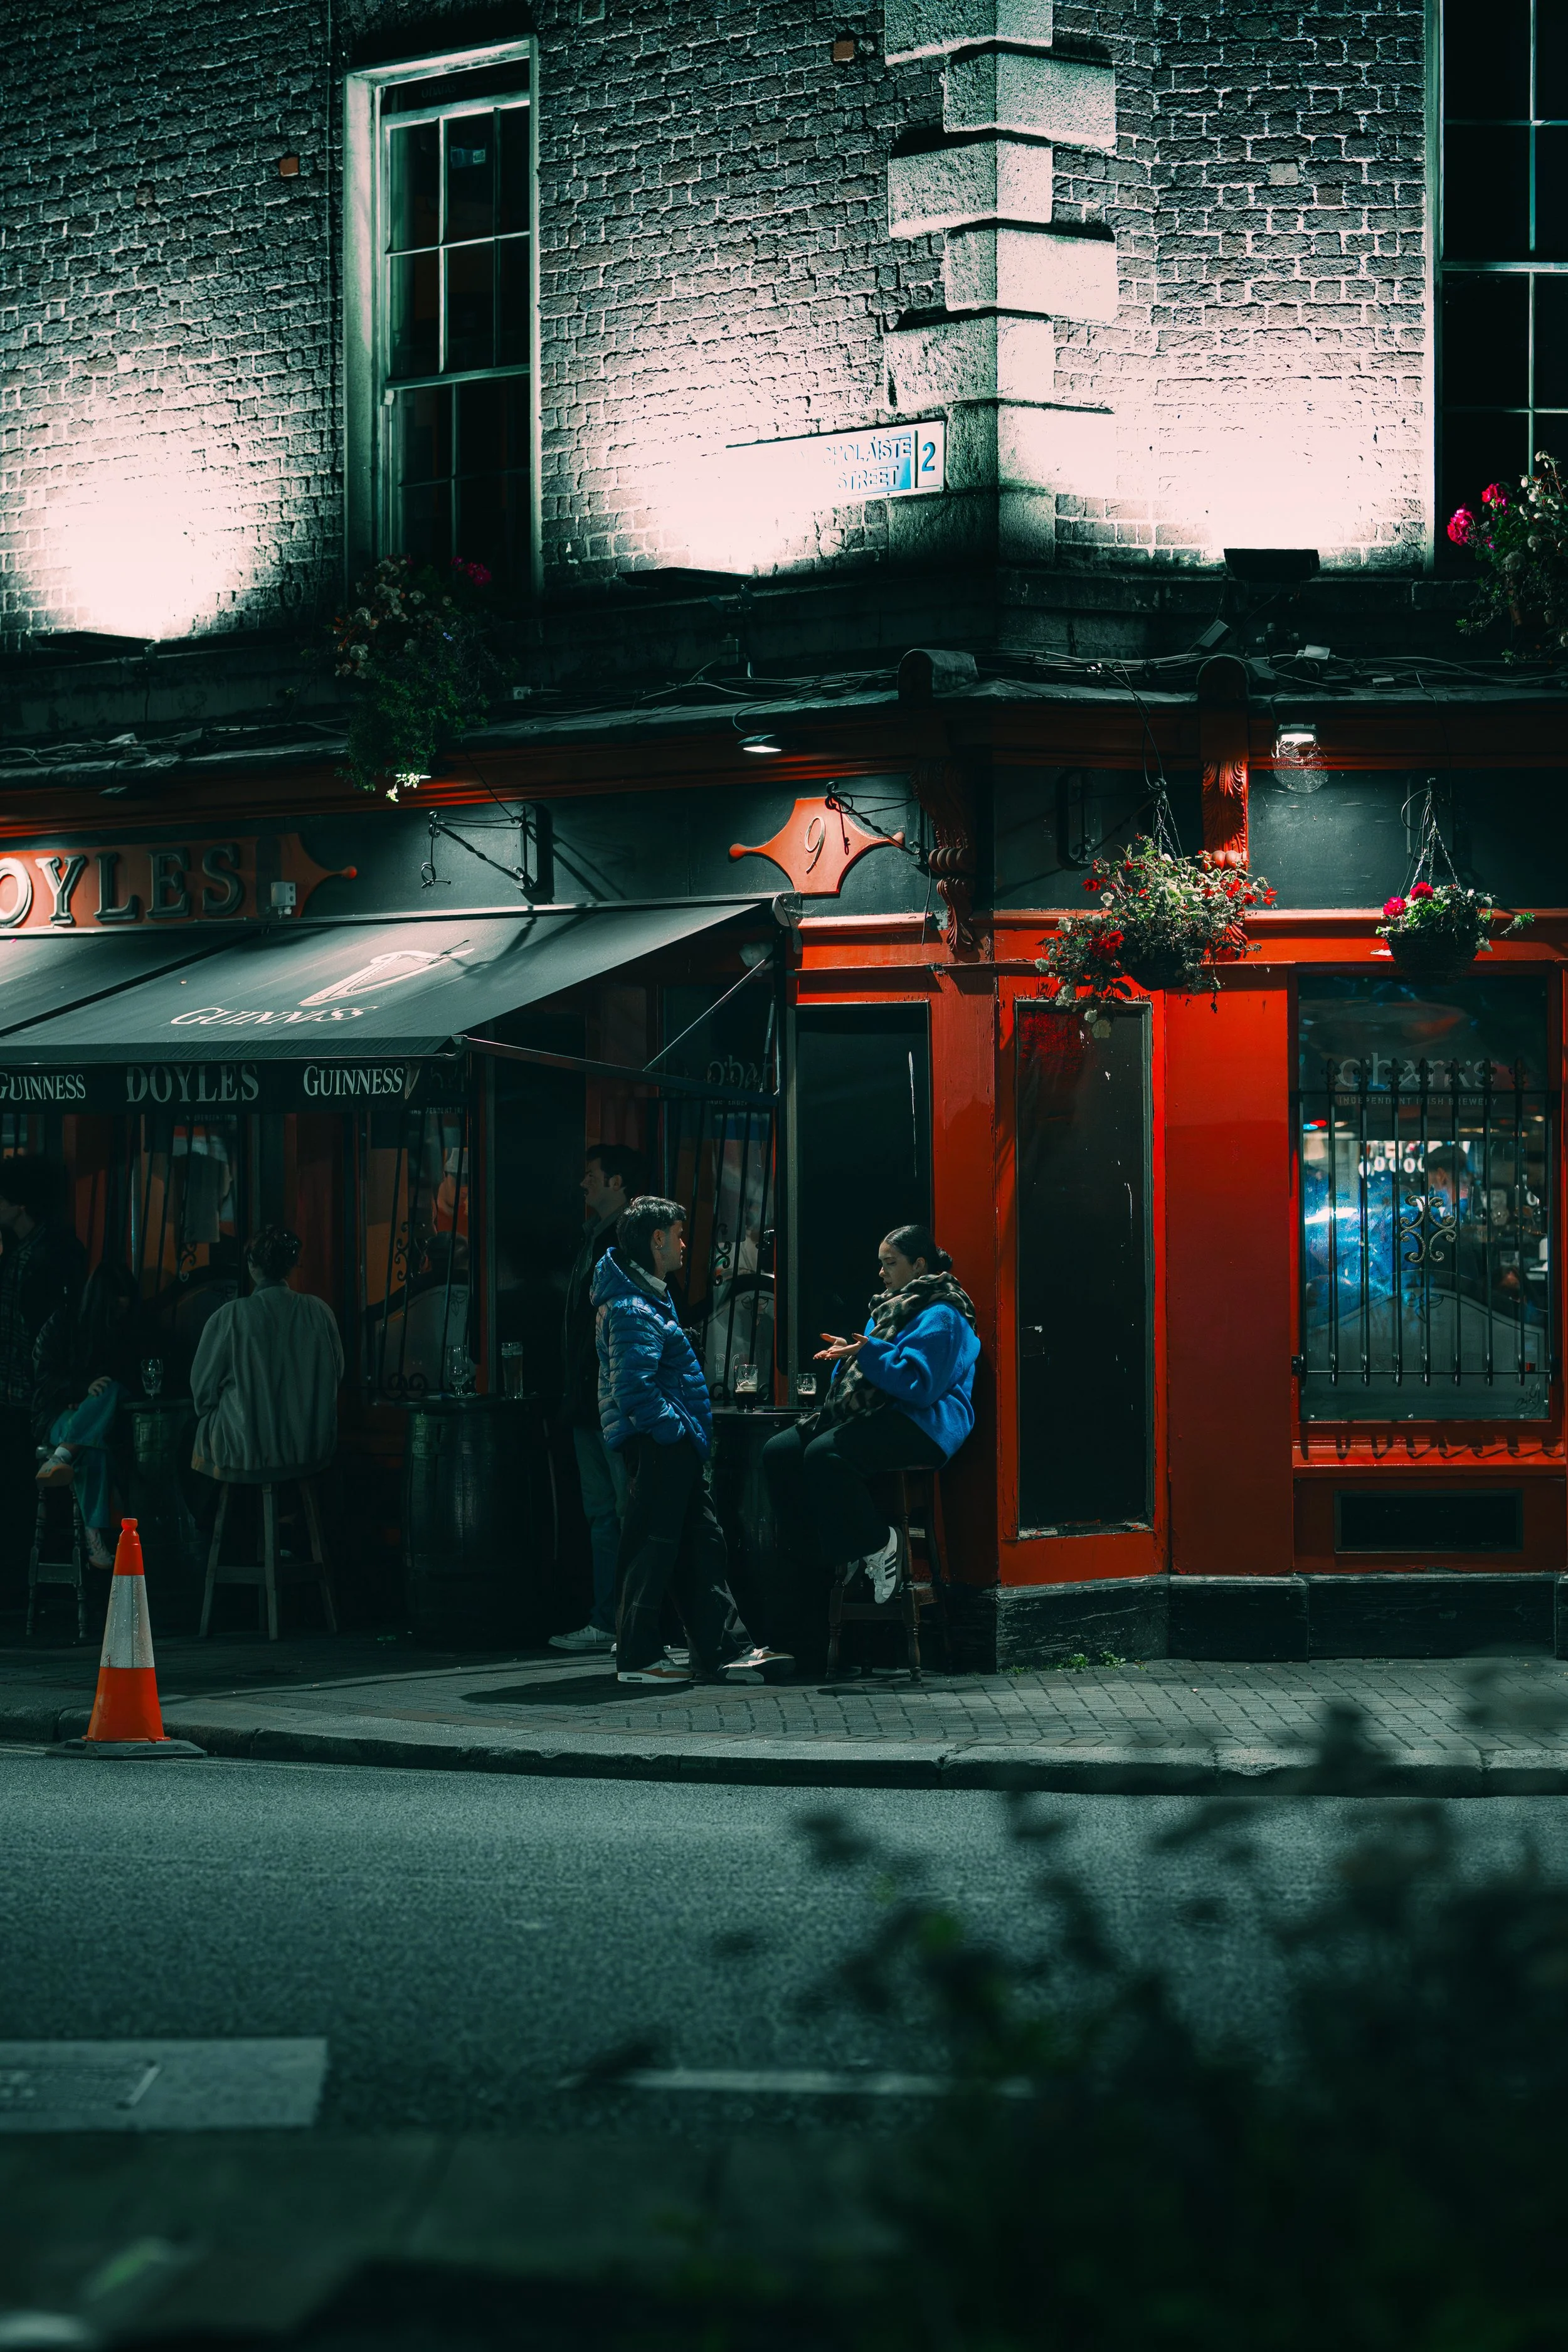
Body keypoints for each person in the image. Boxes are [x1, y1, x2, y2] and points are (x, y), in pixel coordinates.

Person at [593, 1194, 779, 1687]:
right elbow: (633, 1388)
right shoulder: (634, 1306)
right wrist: (673, 1432)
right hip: (660, 1444)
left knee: (701, 1544)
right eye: (677, 1235)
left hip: (672, 1444)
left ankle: (723, 1650)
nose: (683, 1245)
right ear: (656, 1240)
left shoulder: (647, 1294)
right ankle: (638, 1658)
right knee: (652, 1548)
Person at [763, 1224, 980, 1621]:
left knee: (826, 1453)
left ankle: (880, 1544)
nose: (882, 1273)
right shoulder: (888, 1308)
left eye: (890, 1263)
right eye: (880, 1264)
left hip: (927, 1425)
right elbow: (868, 1375)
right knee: (779, 1452)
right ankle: (826, 1557)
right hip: (883, 1416)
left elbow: (920, 1386)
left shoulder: (944, 1313)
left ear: (918, 1265)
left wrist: (867, 1353)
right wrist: (849, 1359)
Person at [551, 1143, 646, 1654]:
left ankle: (624, 1618)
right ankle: (612, 1617)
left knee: (616, 1511)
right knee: (606, 1512)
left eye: (592, 1175)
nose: (584, 1183)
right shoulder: (599, 1237)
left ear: (617, 1181)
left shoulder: (622, 1239)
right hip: (590, 1396)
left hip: (605, 1397)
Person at [189, 1226, 344, 1487]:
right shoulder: (318, 1311)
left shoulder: (231, 1316)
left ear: (251, 1264)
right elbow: (336, 1375)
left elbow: (202, 1393)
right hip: (309, 1449)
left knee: (190, 1440)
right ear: (292, 1264)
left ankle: (215, 1525)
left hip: (244, 1452)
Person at [0, 1157, 87, 1589]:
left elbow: (55, 1327)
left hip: (33, 1392)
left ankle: (34, 1578)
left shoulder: (47, 1253)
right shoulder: (20, 1250)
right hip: (15, 1388)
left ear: (18, 1205)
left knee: (29, 1490)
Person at [33, 1263, 151, 1569]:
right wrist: (79, 1392)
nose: (119, 1317)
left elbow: (132, 1382)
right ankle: (94, 1538)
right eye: (114, 1310)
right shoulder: (65, 1323)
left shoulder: (127, 1332)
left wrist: (91, 1401)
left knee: (109, 1391)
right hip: (62, 1416)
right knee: (94, 1450)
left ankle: (61, 1457)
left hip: (99, 1422)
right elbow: (43, 1377)